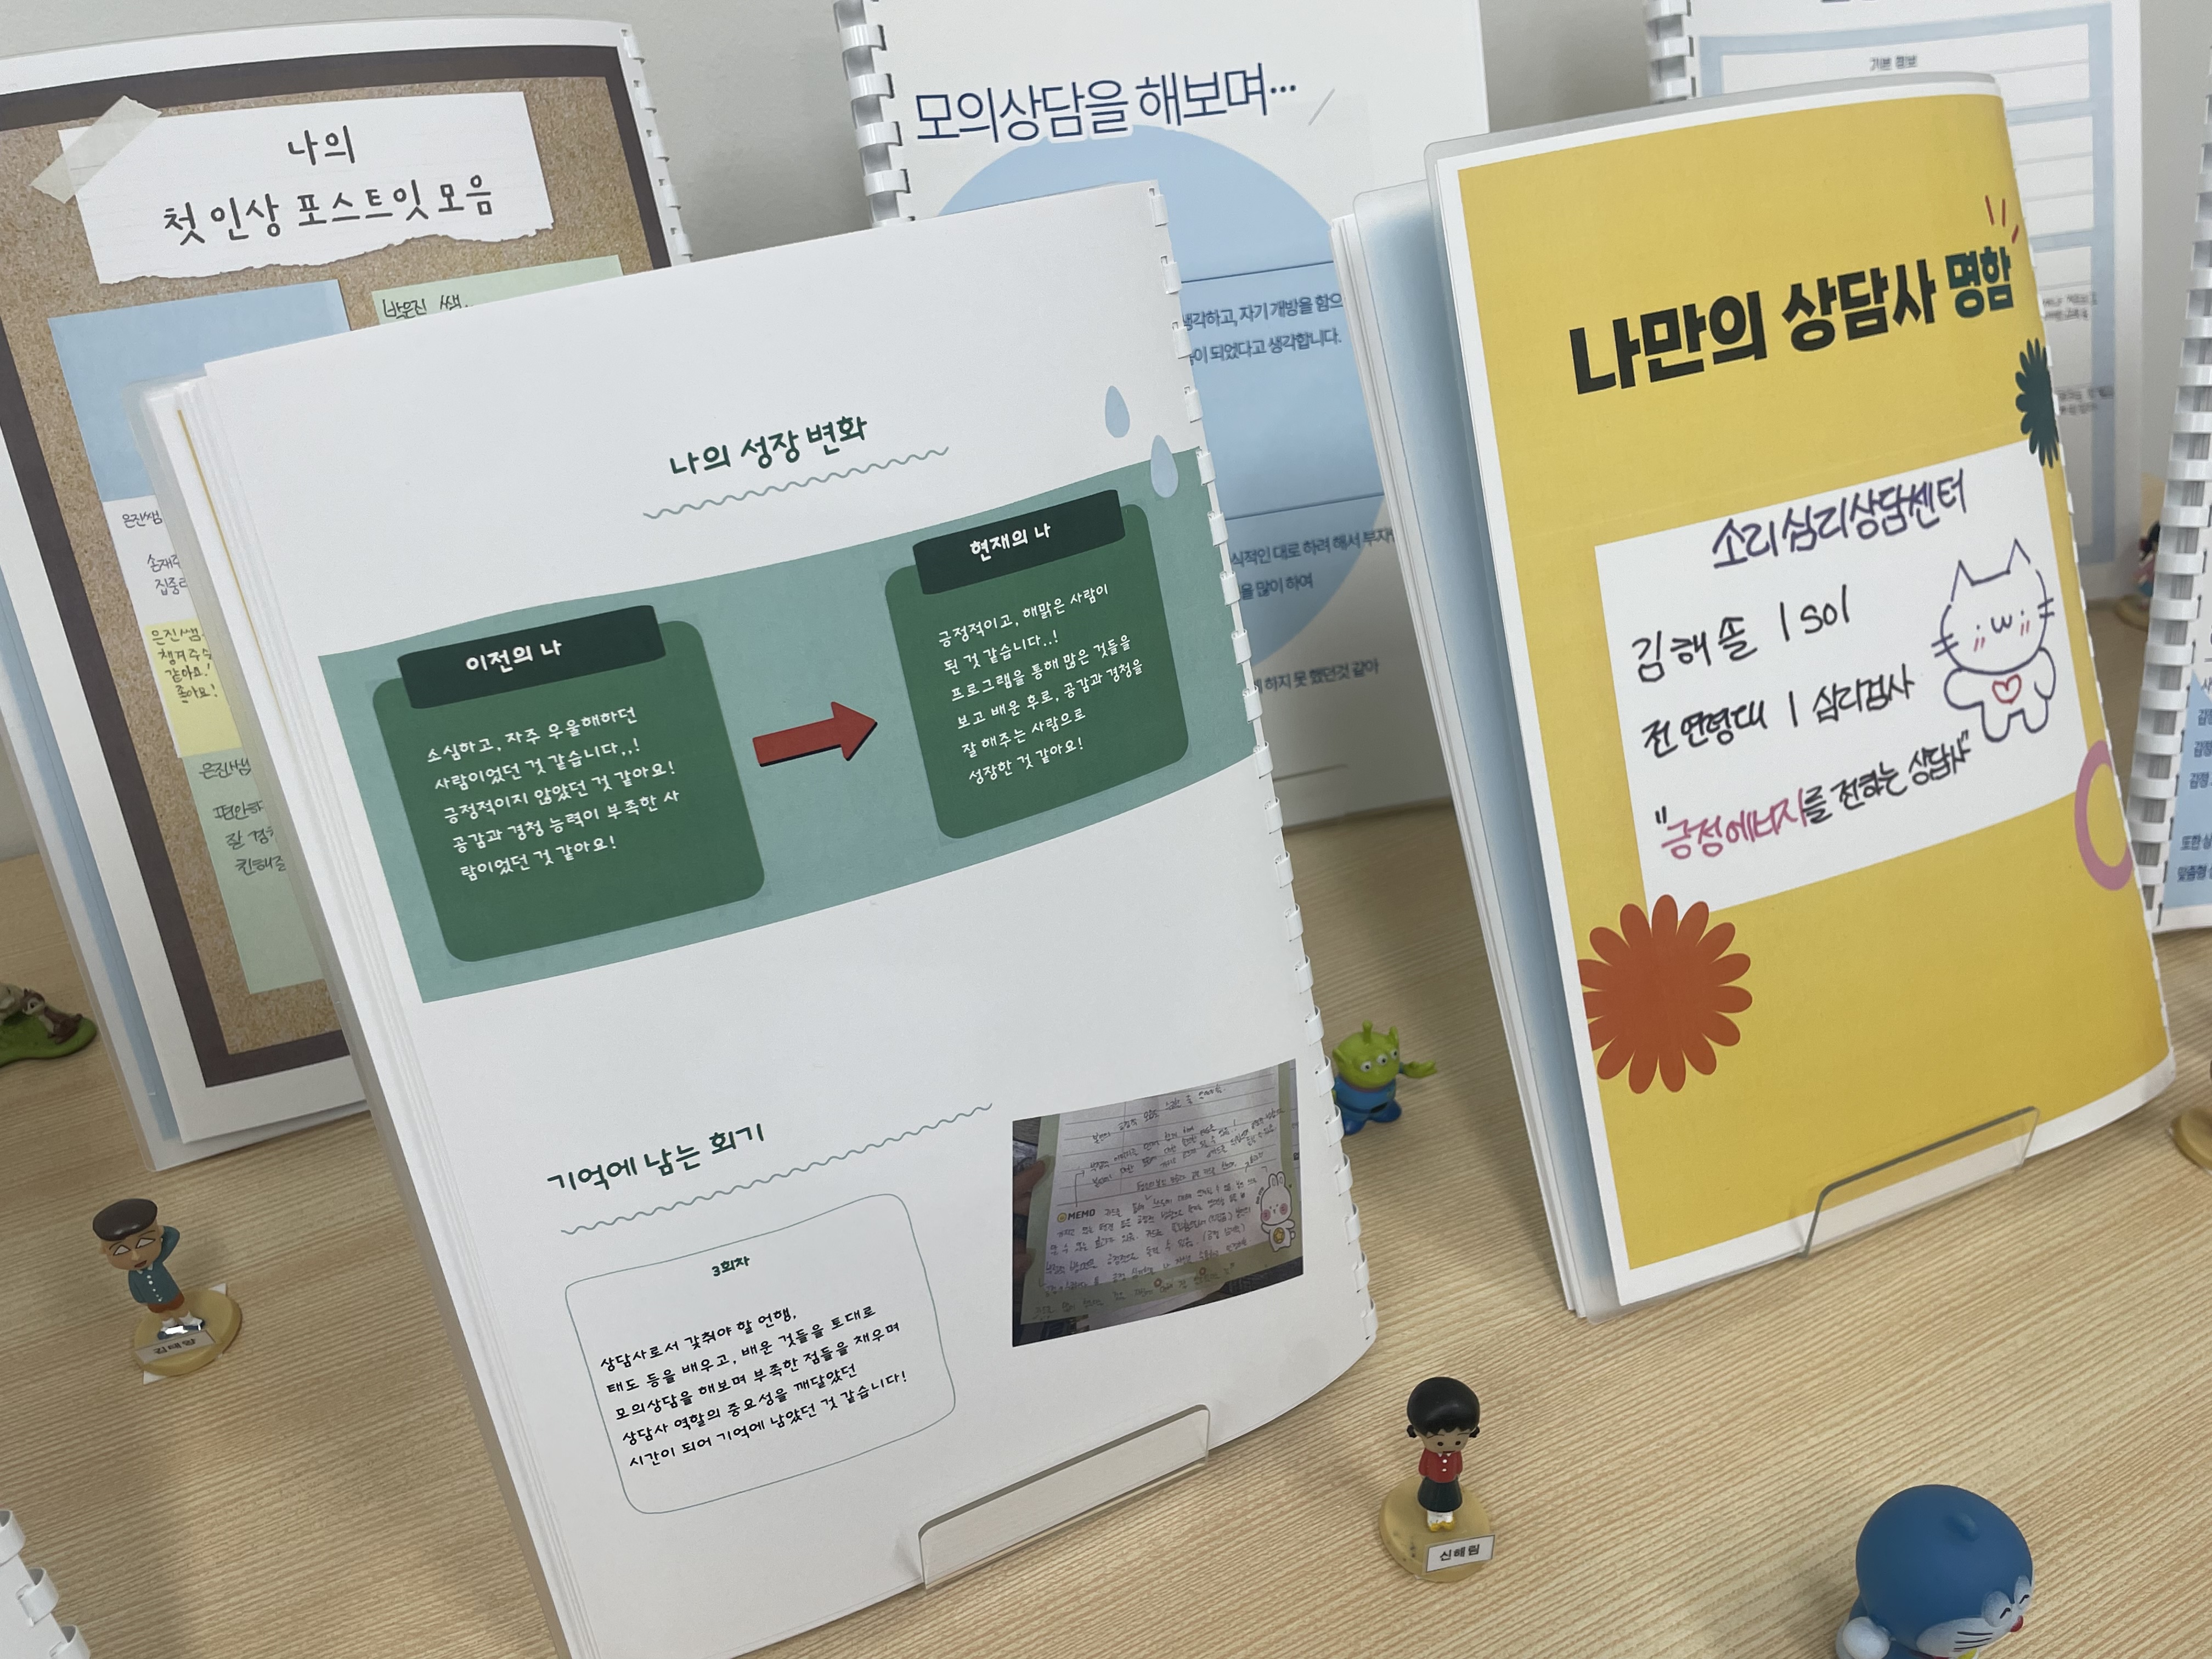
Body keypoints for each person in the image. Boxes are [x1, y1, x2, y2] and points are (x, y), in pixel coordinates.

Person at [93, 1198, 194, 1329]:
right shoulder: (134, 1276)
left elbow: (173, 1235)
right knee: (164, 1316)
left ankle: (190, 1322)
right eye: (122, 1251)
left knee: (180, 1309)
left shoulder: (158, 1260)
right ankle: (171, 1328)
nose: (136, 1257)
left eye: (144, 1243)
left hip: (172, 1296)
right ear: (105, 1251)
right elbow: (135, 1291)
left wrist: (161, 1230)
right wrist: (142, 1300)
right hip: (154, 1303)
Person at [1405, 1375, 1481, 1532]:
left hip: (1450, 1482)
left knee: (1449, 1502)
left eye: (1459, 1442)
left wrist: (1457, 1473)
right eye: (1440, 1443)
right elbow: (1423, 1466)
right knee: (1432, 1501)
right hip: (1433, 1481)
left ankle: (1447, 1517)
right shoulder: (1431, 1454)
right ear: (1419, 1433)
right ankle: (1433, 1518)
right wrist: (1424, 1475)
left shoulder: (1455, 1455)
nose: (1450, 1447)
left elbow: (1459, 1466)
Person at [0, 982, 94, 1065]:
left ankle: (65, 1034)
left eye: (32, 1006)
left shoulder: (47, 1013)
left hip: (62, 1026)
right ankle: (57, 1032)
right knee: (52, 1027)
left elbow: (59, 1019)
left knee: (55, 1028)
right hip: (54, 1027)